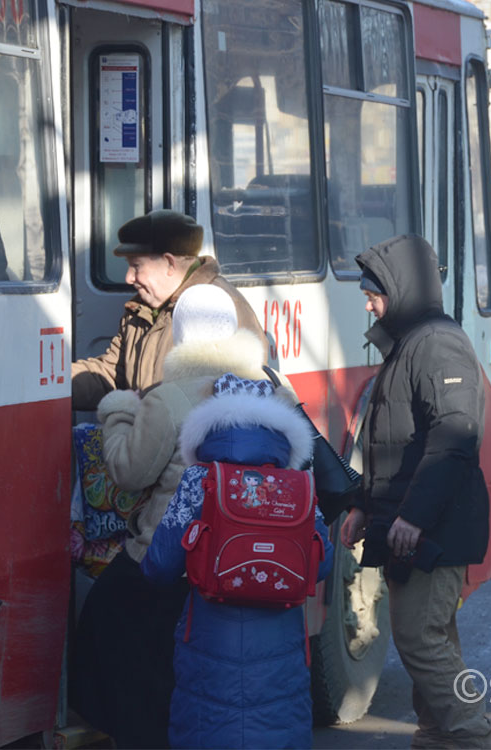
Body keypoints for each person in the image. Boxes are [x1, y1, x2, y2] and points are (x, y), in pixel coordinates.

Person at [69, 285, 269, 748]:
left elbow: (127, 473)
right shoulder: (271, 388)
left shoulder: (171, 396)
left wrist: (118, 413)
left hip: (173, 554)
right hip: (244, 555)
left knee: (109, 623)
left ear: (180, 334)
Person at [339, 234, 491, 749]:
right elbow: (389, 442)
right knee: (432, 636)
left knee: (419, 637)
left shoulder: (436, 343)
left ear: (402, 288)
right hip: (413, 520)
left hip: (434, 526)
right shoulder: (411, 343)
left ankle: (474, 734)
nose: (368, 302)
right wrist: (363, 506)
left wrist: (414, 518)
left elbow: (454, 440)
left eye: (374, 292)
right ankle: (438, 734)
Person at [141, 375, 334, 749]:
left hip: (210, 642)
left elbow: (161, 565)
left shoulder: (200, 480)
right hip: (280, 649)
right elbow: (321, 565)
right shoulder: (297, 482)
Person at [71, 209, 266, 409]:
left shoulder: (218, 307)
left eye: (136, 266)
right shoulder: (140, 309)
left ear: (170, 263)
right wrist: (58, 384)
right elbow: (111, 373)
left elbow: (234, 397)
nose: (128, 278)